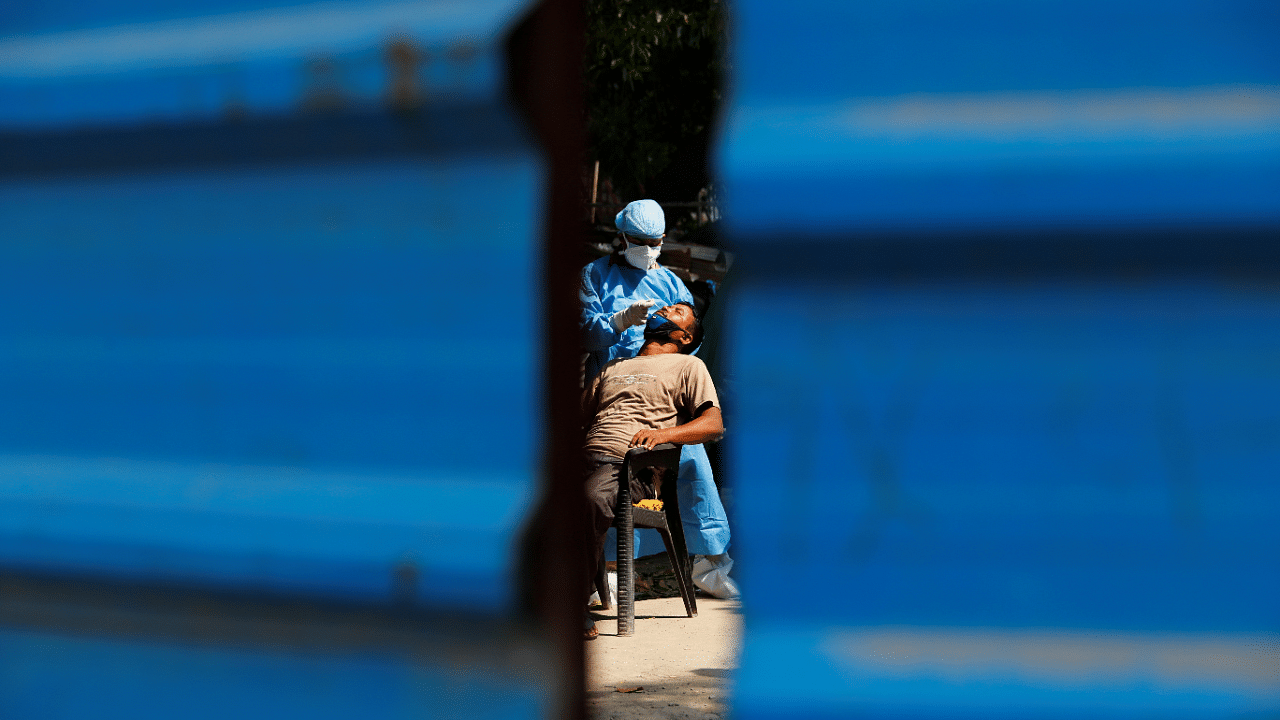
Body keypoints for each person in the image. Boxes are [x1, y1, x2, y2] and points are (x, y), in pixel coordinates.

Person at [579, 200, 736, 598]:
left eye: (655, 242)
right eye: (639, 241)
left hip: (660, 401)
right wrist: (617, 323)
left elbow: (692, 338)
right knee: (601, 472)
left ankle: (710, 563)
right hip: (614, 391)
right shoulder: (595, 277)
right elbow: (581, 334)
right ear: (622, 237)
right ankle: (606, 569)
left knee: (692, 458)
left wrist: (669, 381)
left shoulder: (670, 284)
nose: (648, 248)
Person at [582, 303, 724, 637]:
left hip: (633, 467)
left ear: (685, 335)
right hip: (587, 459)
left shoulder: (688, 365)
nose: (662, 309)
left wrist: (664, 435)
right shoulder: (614, 366)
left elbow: (713, 424)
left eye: (675, 311)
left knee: (589, 499)